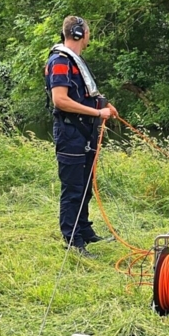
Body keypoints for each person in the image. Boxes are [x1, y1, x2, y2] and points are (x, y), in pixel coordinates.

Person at [44, 16, 117, 258]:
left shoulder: (76, 61)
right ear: (78, 33)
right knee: (73, 188)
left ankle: (84, 230)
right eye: (87, 31)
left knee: (85, 185)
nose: (89, 36)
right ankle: (72, 240)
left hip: (86, 132)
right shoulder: (60, 61)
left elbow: (86, 93)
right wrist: (97, 112)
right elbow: (60, 100)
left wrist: (105, 105)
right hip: (70, 133)